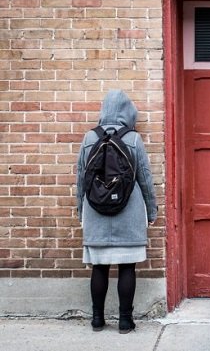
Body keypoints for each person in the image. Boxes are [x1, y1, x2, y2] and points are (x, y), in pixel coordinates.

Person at [76, 90, 157, 333]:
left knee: (99, 267)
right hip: (128, 211)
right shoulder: (133, 139)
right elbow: (144, 178)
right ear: (128, 112)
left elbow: (81, 178)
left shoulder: (89, 138)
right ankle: (124, 321)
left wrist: (81, 210)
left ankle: (97, 320)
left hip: (95, 210)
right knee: (127, 267)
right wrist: (151, 210)